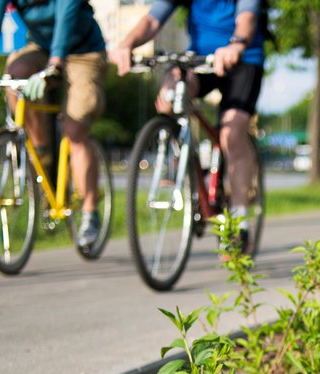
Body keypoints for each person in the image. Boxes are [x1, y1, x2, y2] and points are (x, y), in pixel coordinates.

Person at [109, 0, 265, 247]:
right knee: (169, 97)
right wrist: (127, 44)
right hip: (200, 60)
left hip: (243, 60)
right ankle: (181, 167)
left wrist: (236, 44)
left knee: (231, 134)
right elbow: (152, 20)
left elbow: (247, 16)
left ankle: (240, 220)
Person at [0, 0, 107, 250]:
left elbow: (66, 15)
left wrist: (54, 64)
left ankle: (90, 211)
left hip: (83, 52)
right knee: (15, 77)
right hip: (42, 47)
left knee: (75, 129)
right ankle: (43, 155)